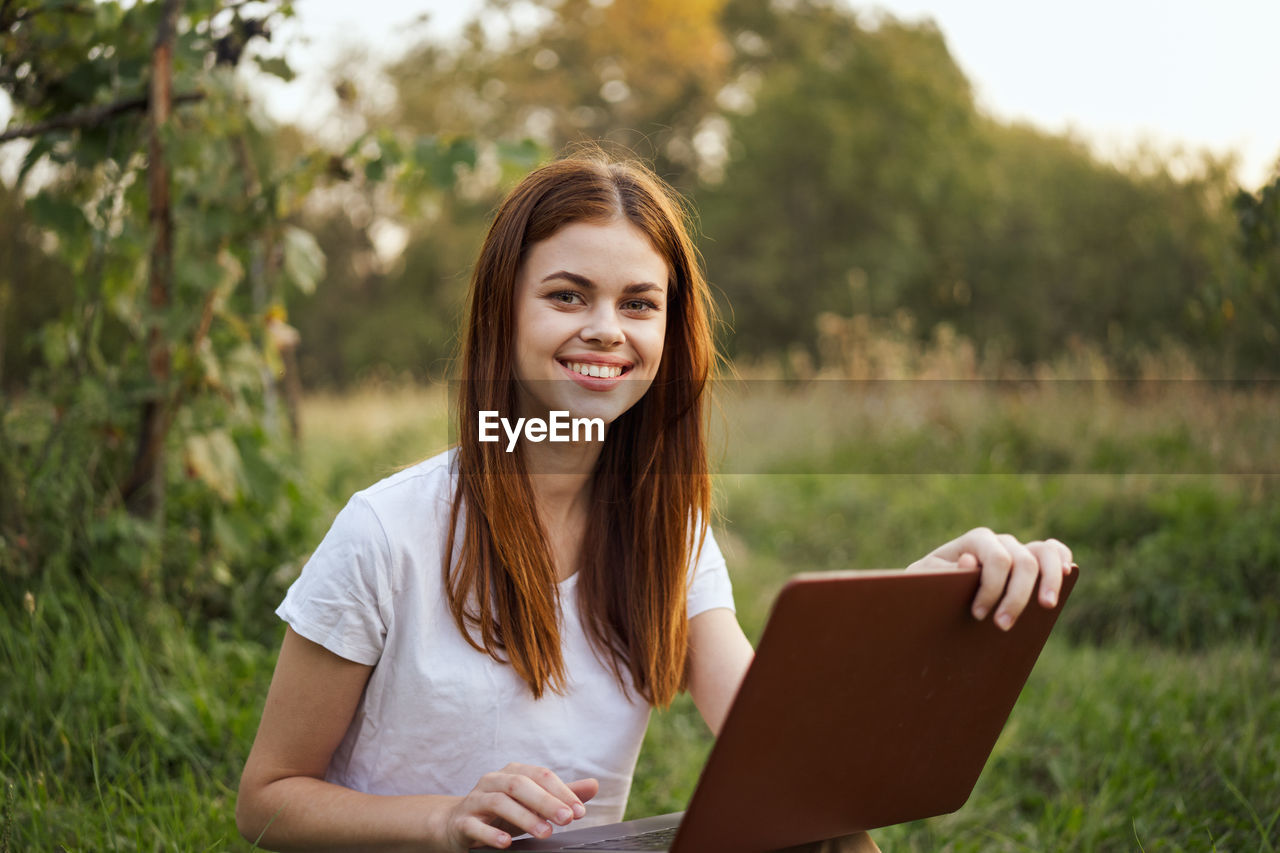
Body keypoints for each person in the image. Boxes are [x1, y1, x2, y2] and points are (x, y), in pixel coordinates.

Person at [236, 151, 1074, 852]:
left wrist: (918, 602)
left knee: (831, 836)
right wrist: (446, 819)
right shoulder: (388, 530)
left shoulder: (668, 531)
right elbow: (268, 799)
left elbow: (774, 736)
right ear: (502, 313)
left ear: (669, 335)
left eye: (638, 303)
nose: (607, 328)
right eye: (568, 295)